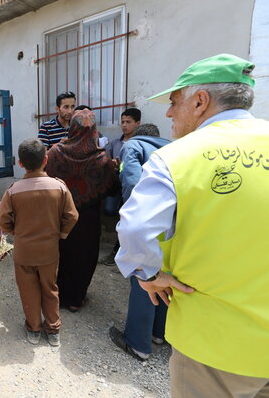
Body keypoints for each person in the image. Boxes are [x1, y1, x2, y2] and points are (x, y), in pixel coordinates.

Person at [115, 54, 269, 396]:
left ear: (200, 101)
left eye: (174, 102)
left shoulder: (178, 157)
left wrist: (149, 275)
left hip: (215, 346)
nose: (169, 113)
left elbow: (136, 229)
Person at [0, 139, 78, 347]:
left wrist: (17, 232)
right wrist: (61, 233)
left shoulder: (13, 191)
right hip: (49, 250)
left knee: (28, 290)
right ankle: (53, 330)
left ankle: (33, 328)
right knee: (50, 288)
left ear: (20, 163)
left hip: (24, 251)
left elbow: (2, 220)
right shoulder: (59, 187)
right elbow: (72, 216)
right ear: (46, 159)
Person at [44, 109, 119, 312]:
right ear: (94, 130)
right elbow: (112, 189)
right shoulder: (102, 158)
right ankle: (76, 299)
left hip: (61, 214)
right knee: (85, 256)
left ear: (72, 128)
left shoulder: (54, 153)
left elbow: (44, 180)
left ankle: (59, 295)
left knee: (63, 255)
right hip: (89, 217)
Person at [108, 123, 170, 361]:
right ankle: (159, 333)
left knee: (144, 277)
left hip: (147, 222)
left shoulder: (132, 145)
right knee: (165, 275)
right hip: (174, 224)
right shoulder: (174, 149)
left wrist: (130, 215)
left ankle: (138, 344)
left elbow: (132, 182)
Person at [100, 108, 143, 266]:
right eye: (122, 122)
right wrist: (113, 166)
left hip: (133, 188)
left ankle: (120, 250)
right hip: (117, 183)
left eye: (128, 122)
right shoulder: (115, 143)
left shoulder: (140, 144)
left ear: (137, 123)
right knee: (110, 209)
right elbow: (107, 162)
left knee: (127, 216)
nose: (124, 125)